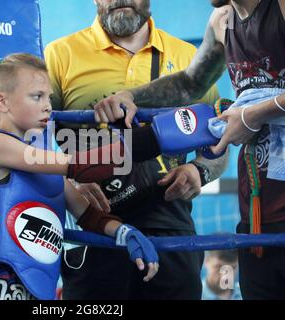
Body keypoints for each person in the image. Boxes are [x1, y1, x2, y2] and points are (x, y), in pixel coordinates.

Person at [95, 0, 285, 299]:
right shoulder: (222, 20)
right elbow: (190, 83)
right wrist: (131, 96)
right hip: (258, 214)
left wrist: (252, 115)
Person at [44, 0, 228, 300]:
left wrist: (200, 170)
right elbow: (32, 136)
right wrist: (71, 179)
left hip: (170, 225)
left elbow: (218, 138)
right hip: (92, 225)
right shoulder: (58, 54)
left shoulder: (189, 57)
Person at [0, 53, 162, 301]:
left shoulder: (48, 165)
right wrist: (157, 138)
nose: (48, 105)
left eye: (48, 97)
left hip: (35, 289)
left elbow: (89, 215)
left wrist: (125, 232)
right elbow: (78, 165)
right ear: (2, 102)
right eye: (36, 96)